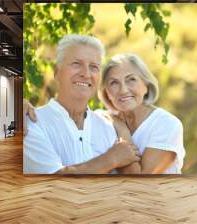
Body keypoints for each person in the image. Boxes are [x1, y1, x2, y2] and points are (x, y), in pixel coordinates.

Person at [23, 34, 140, 174]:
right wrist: (111, 159)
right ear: (56, 72)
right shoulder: (31, 123)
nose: (86, 74)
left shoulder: (108, 127)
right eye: (76, 64)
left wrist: (122, 130)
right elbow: (54, 183)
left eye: (94, 67)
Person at [97, 53, 185, 174]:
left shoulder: (167, 124)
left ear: (146, 85)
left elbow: (139, 182)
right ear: (106, 92)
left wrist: (122, 131)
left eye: (131, 80)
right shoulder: (102, 120)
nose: (123, 90)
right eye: (114, 83)